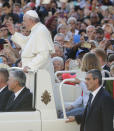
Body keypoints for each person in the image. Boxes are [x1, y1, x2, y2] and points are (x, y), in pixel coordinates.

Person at [6, 10, 55, 80]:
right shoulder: (36, 30)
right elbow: (26, 43)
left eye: (24, 21)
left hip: (39, 73)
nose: (23, 23)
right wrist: (13, 32)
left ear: (31, 21)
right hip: (32, 72)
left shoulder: (41, 31)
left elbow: (44, 54)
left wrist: (30, 66)